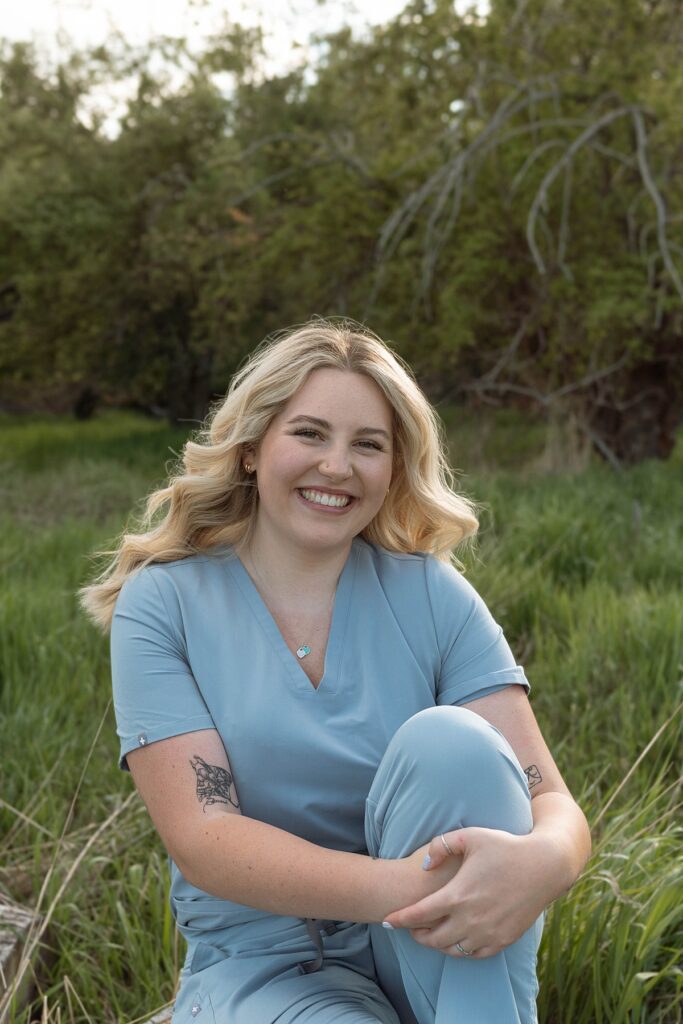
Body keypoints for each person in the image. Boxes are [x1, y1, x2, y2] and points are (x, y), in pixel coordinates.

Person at [80, 318, 591, 1024]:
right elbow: (204, 840)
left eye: (368, 445)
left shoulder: (432, 595)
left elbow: (550, 803)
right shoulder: (165, 603)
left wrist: (546, 864)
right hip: (272, 962)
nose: (337, 466)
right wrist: (423, 888)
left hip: (439, 943)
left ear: (392, 468)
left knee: (456, 744)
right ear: (254, 448)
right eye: (310, 434)